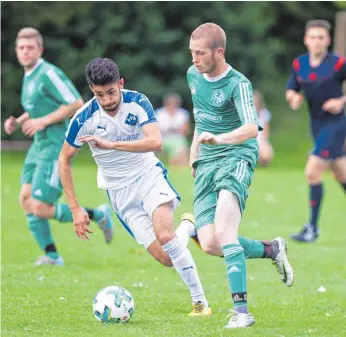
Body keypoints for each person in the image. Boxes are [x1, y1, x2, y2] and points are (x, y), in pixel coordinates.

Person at [59, 57, 212, 316]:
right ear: (91, 91)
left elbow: (155, 142)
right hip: (119, 193)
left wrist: (112, 144)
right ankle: (188, 226)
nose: (107, 101)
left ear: (120, 83)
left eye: (110, 92)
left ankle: (200, 303)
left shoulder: (137, 101)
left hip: (147, 176)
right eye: (99, 95)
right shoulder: (83, 117)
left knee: (165, 235)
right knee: (166, 258)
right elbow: (64, 160)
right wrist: (75, 208)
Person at [186, 23, 294, 329]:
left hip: (237, 155)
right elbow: (200, 117)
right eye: (192, 52)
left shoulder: (238, 84)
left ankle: (242, 313)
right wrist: (195, 154)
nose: (194, 59)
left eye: (200, 53)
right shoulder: (193, 75)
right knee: (209, 243)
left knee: (224, 230)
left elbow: (251, 128)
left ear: (219, 52)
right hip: (206, 161)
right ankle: (271, 249)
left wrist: (220, 140)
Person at [3, 28, 114, 266]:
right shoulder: (29, 74)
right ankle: (52, 256)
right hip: (38, 145)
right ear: (16, 50)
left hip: (55, 145)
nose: (25, 52)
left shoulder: (48, 73)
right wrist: (19, 121)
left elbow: (76, 103)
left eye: (30, 47)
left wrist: (42, 121)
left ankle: (98, 214)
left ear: (40, 50)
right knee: (25, 199)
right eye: (21, 48)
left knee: (41, 208)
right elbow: (36, 107)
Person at [285, 19, 346, 243]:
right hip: (317, 125)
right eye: (312, 37)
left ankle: (312, 228)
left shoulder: (338, 63)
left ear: (328, 40)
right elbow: (292, 87)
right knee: (342, 174)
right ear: (306, 40)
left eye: (321, 37)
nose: (317, 41)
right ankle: (311, 228)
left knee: (313, 171)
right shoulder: (299, 63)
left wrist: (342, 101)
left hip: (337, 124)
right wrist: (293, 97)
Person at [155, 93, 190, 166]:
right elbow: (156, 130)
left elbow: (186, 130)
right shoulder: (159, 113)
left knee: (180, 150)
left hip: (178, 139)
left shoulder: (183, 113)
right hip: (162, 138)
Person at [253, 90, 274, 166]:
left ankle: (263, 163)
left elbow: (266, 131)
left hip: (260, 137)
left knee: (266, 152)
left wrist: (263, 142)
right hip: (249, 137)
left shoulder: (264, 113)